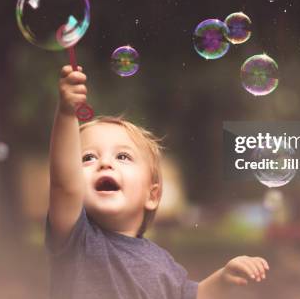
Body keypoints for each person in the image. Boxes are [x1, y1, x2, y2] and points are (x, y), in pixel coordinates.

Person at [45, 65, 270, 299]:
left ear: (152, 195)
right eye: (88, 157)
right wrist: (66, 113)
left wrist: (223, 278)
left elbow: (192, 295)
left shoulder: (162, 262)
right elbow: (64, 184)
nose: (104, 163)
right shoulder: (78, 240)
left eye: (122, 156)